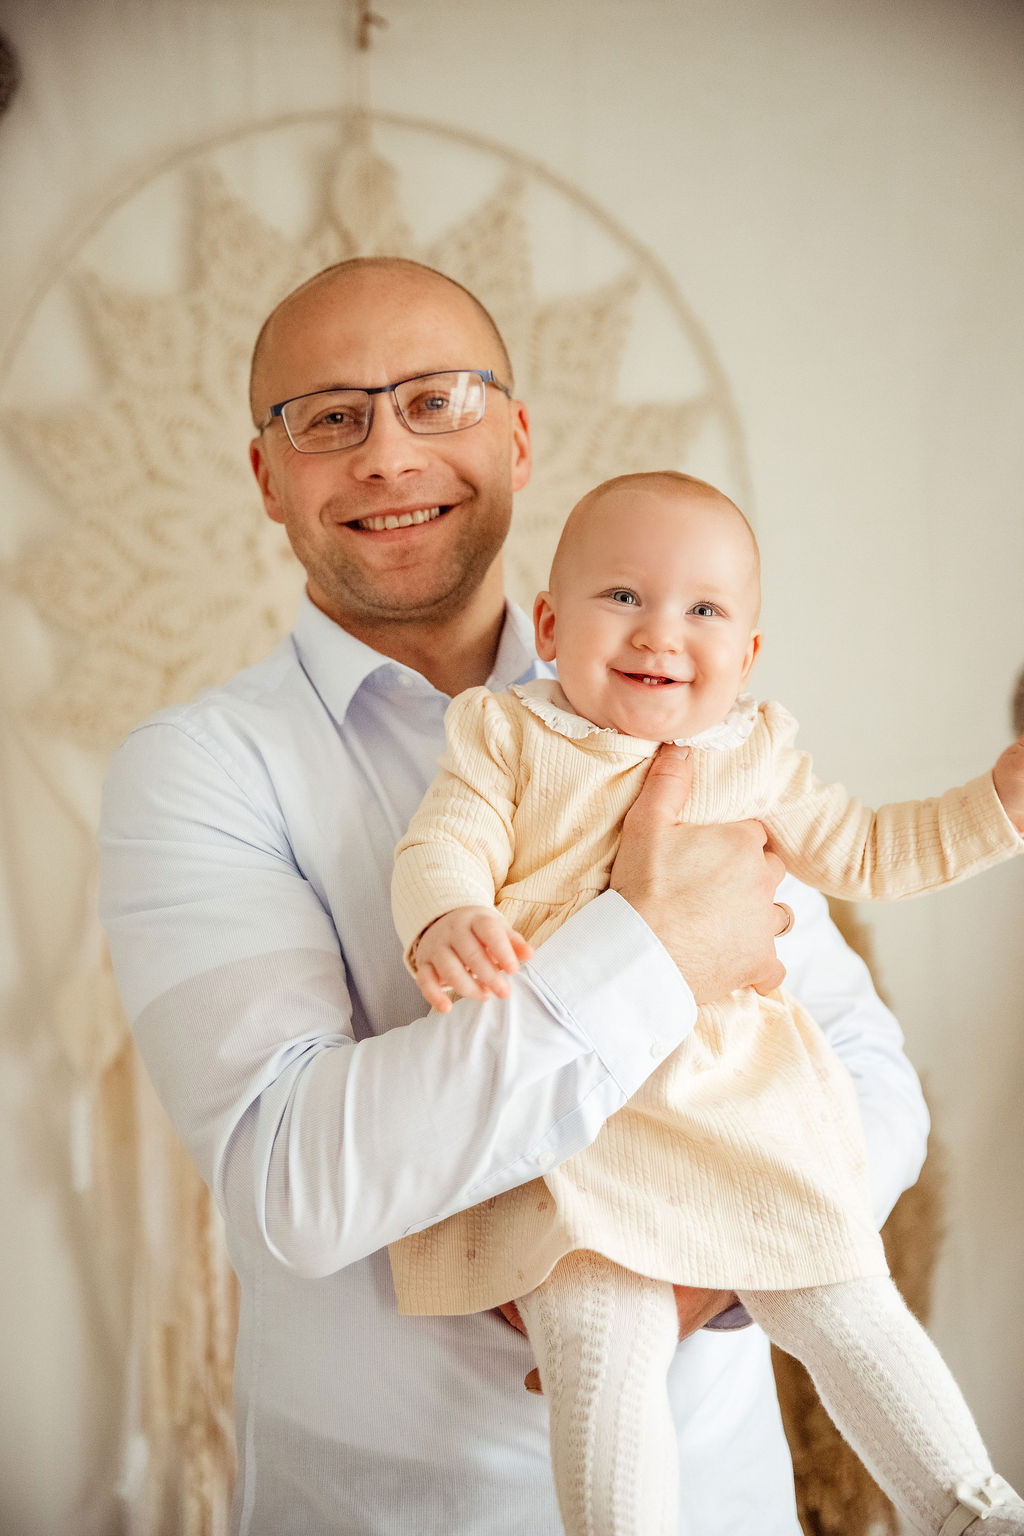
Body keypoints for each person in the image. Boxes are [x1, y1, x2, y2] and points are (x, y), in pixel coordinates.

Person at [100, 256, 932, 1536]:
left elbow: (872, 1077)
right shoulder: (199, 773)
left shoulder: (682, 710)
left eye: (438, 399)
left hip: (718, 1499)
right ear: (267, 479)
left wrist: (696, 1272)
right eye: (326, 417)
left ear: (518, 436)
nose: (386, 454)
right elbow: (290, 1185)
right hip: (391, 1510)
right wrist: (653, 949)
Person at [390, 471, 1024, 1536]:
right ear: (549, 624)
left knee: (846, 1300)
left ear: (747, 656)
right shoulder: (506, 738)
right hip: (570, 1121)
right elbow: (443, 841)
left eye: (702, 610)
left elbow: (870, 848)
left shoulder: (755, 757)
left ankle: (969, 1508)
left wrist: (996, 807)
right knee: (603, 1350)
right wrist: (445, 913)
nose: (658, 635)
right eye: (622, 597)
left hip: (736, 1105)